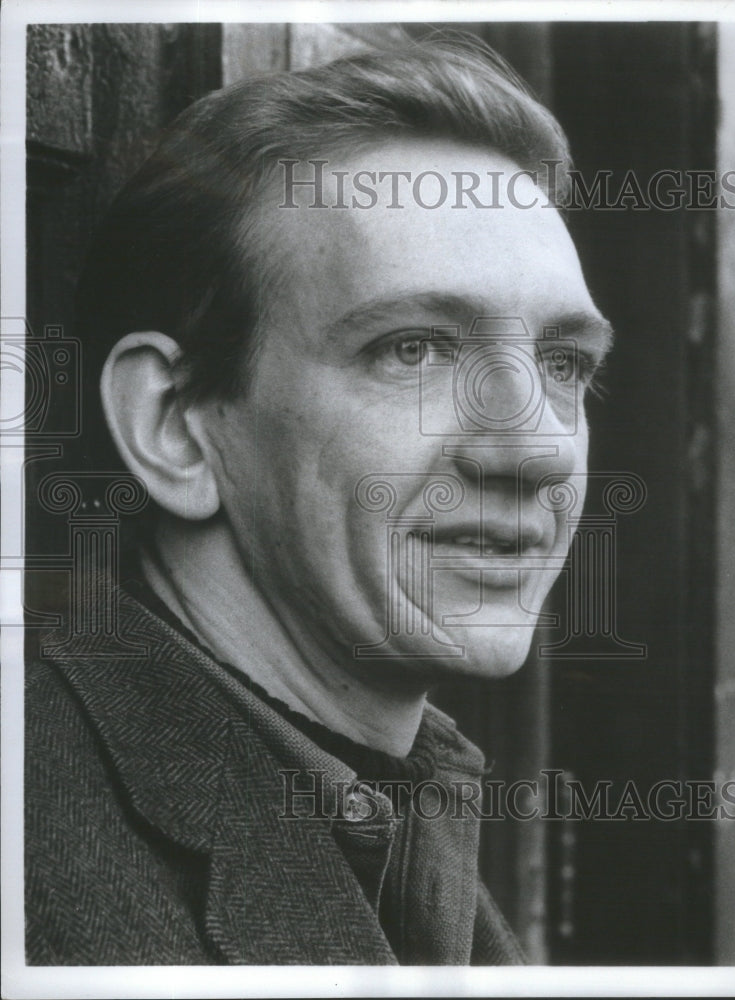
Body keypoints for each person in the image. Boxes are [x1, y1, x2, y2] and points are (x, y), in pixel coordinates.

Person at [25, 38, 613, 965]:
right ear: (174, 424)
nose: (537, 447)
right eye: (415, 349)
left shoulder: (394, 794)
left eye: (564, 363)